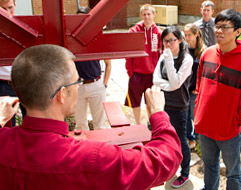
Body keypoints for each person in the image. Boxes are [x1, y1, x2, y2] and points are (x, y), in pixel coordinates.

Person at [0, 44, 182, 189]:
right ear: (61, 94)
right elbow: (165, 160)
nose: (79, 86)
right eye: (76, 82)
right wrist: (158, 113)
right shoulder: (92, 158)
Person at [194, 9, 241, 190]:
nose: (219, 31)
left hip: (229, 130)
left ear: (238, 31)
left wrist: (237, 122)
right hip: (205, 127)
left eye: (225, 27)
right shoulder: (207, 54)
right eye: (217, 26)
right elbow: (200, 87)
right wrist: (198, 113)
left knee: (233, 172)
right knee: (210, 166)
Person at [153, 25, 193, 188]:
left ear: (180, 40)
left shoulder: (186, 59)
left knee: (181, 140)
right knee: (165, 138)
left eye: (172, 40)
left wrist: (169, 60)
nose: (168, 44)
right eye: (165, 41)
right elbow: (155, 79)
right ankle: (169, 167)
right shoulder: (163, 56)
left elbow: (177, 83)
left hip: (179, 106)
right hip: (163, 103)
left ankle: (184, 173)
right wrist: (169, 85)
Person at [74, 7, 112, 131]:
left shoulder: (96, 39)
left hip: (95, 85)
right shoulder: (71, 40)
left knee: (100, 125)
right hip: (77, 86)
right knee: (80, 125)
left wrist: (104, 85)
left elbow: (108, 64)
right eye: (78, 19)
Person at [125, 4, 162, 125]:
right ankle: (137, 125)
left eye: (149, 14)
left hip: (152, 75)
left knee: (150, 103)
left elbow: (161, 55)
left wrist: (159, 74)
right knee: (135, 102)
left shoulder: (159, 33)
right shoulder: (133, 31)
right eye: (144, 14)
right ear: (141, 15)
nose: (147, 17)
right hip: (136, 74)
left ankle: (151, 124)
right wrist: (130, 72)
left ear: (154, 15)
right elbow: (128, 53)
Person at [0, 0, 26, 126]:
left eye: (10, 7)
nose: (7, 12)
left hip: (26, 82)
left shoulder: (25, 27)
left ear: (15, 5)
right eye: (2, 8)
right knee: (6, 126)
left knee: (32, 123)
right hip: (3, 84)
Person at [183, 23, 206, 149]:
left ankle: (198, 141)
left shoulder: (203, 51)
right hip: (184, 90)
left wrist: (200, 89)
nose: (187, 38)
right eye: (185, 35)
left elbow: (205, 73)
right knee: (185, 116)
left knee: (195, 117)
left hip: (195, 92)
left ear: (196, 34)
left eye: (189, 35)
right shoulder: (184, 49)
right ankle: (188, 138)